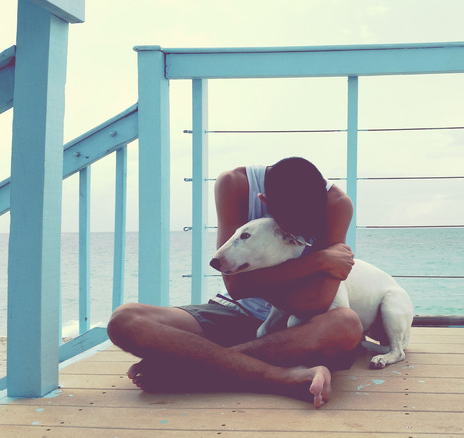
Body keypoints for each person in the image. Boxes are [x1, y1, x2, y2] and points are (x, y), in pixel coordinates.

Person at [106, 157, 361, 408]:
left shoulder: (336, 204)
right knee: (126, 320)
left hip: (297, 327)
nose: (299, 231)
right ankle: (280, 377)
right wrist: (317, 262)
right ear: (265, 202)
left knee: (346, 325)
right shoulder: (236, 185)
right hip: (232, 311)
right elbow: (236, 287)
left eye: (308, 221)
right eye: (290, 224)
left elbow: (316, 303)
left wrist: (256, 281)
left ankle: (185, 370)